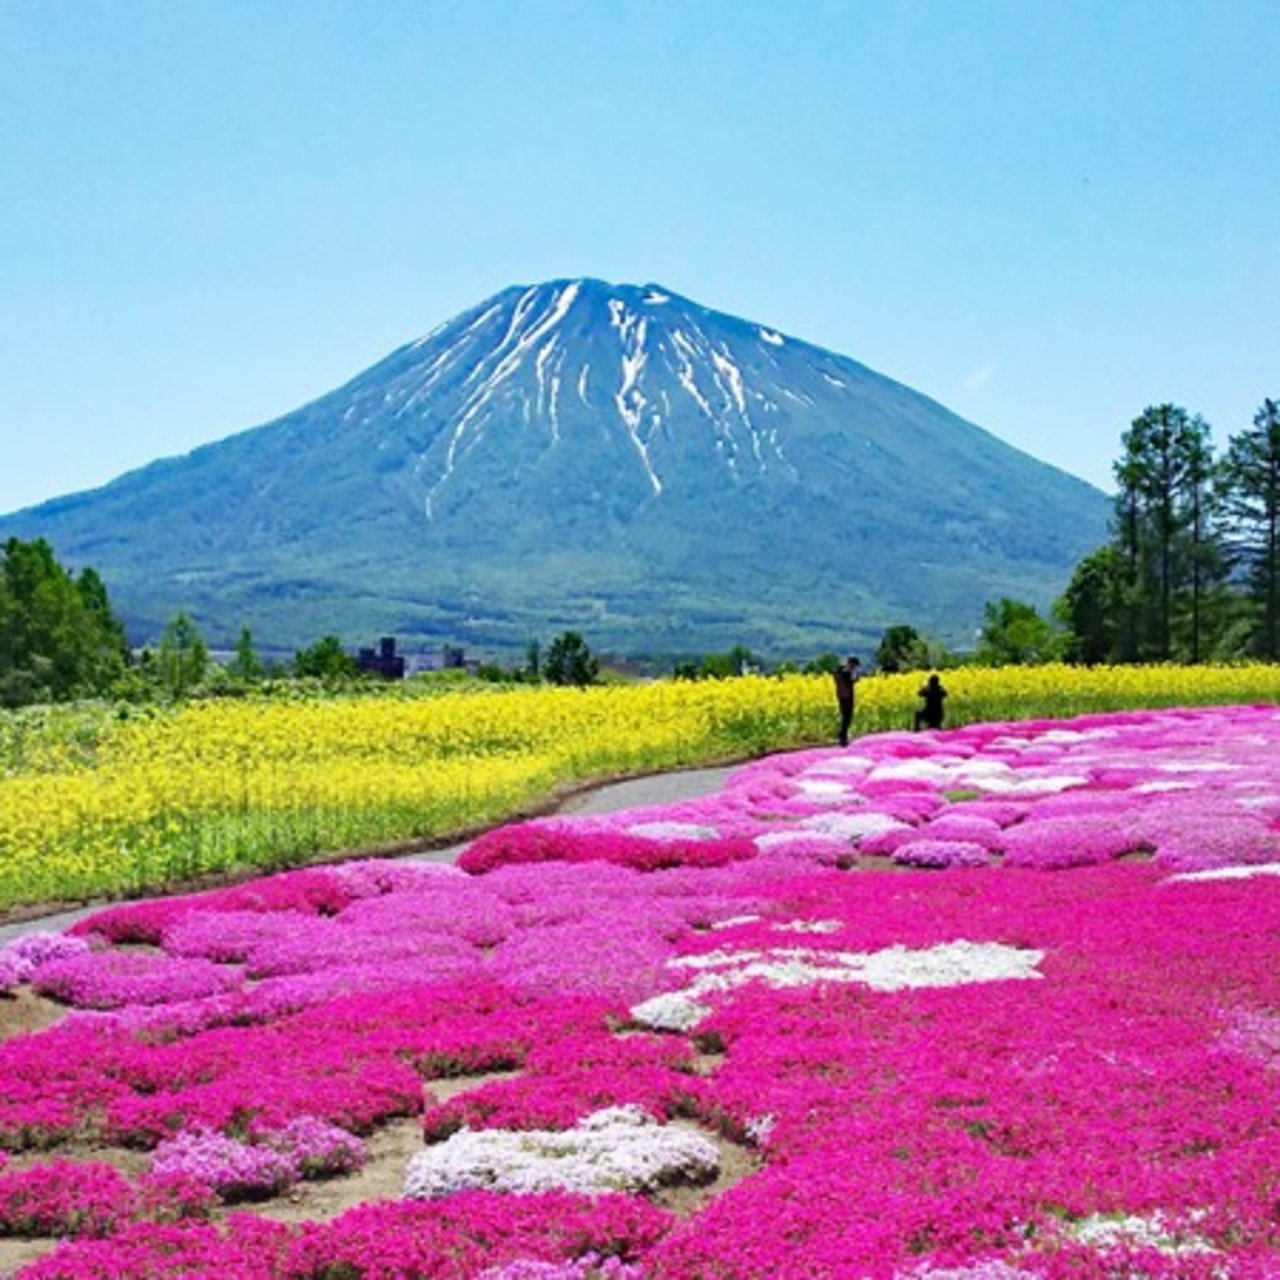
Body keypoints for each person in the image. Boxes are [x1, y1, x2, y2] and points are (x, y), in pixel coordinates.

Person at [833, 655, 861, 746]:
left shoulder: (841, 670)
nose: (855, 667)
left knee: (847, 717)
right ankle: (842, 737)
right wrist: (851, 673)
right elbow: (853, 680)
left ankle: (842, 735)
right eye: (854, 665)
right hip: (845, 696)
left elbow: (856, 680)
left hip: (844, 695)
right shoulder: (843, 671)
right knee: (846, 716)